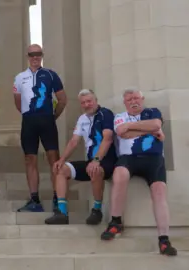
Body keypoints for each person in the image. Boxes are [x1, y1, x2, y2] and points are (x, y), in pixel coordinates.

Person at [100, 88, 177, 256]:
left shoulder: (152, 112)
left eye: (136, 98)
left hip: (154, 158)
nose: (133, 101)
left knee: (159, 191)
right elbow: (122, 133)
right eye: (129, 99)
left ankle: (164, 239)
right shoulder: (120, 117)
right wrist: (149, 130)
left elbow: (156, 125)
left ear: (142, 99)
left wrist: (131, 127)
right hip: (129, 158)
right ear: (124, 102)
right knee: (119, 174)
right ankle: (115, 222)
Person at [45, 89, 117, 225]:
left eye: (89, 101)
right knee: (61, 170)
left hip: (107, 161)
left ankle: (96, 209)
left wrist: (96, 160)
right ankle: (61, 212)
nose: (86, 104)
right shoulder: (82, 119)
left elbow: (107, 138)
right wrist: (61, 160)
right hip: (91, 161)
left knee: (95, 170)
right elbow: (74, 141)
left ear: (96, 101)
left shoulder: (105, 114)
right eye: (83, 102)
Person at [13, 44, 67, 213]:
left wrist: (52, 116)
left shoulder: (51, 75)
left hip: (47, 120)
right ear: (27, 56)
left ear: (42, 55)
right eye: (32, 54)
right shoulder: (19, 77)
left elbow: (62, 99)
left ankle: (58, 197)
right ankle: (34, 199)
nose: (35, 57)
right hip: (28, 120)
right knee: (30, 159)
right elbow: (18, 101)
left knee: (54, 158)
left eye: (38, 54)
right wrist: (29, 115)